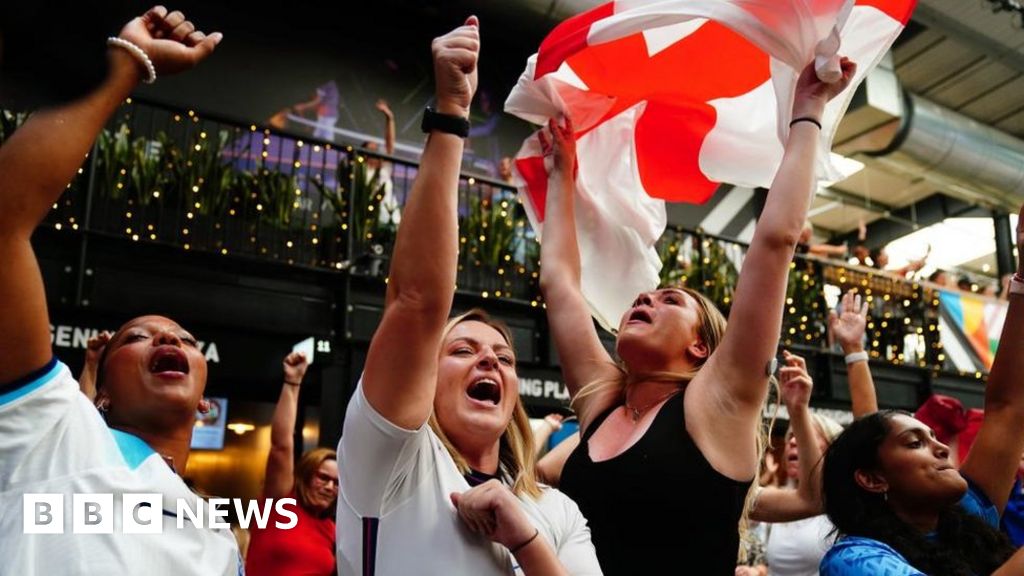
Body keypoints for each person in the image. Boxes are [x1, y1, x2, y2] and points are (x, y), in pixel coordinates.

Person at [538, 55, 857, 574]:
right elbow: (560, 284)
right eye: (645, 296)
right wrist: (562, 174)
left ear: (701, 348)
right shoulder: (600, 402)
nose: (645, 299)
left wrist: (809, 111)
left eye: (669, 300)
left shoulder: (718, 403)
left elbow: (774, 244)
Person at [335, 17, 601, 576]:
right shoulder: (390, 462)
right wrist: (452, 111)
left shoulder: (557, 511)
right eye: (462, 350)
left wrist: (524, 537)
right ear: (422, 379)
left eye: (503, 358)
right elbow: (417, 301)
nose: (489, 360)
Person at [0, 7, 236, 575]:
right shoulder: (53, 431)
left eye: (182, 337)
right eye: (138, 337)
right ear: (99, 395)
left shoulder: (219, 540)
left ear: (206, 403)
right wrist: (126, 68)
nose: (167, 341)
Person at [819, 203, 1024, 575]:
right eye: (916, 443)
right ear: (872, 478)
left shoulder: (965, 523)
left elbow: (1009, 409)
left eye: (931, 438)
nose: (943, 447)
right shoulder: (853, 560)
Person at [246, 352, 338, 576]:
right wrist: (293, 382)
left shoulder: (332, 530)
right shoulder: (279, 505)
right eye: (323, 477)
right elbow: (281, 446)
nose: (329, 487)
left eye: (336, 483)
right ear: (306, 475)